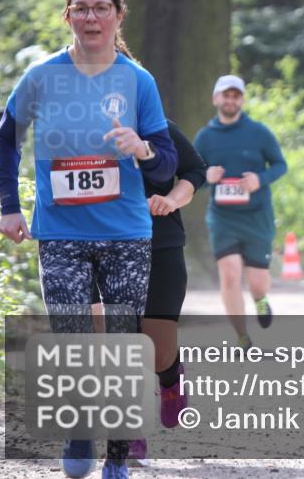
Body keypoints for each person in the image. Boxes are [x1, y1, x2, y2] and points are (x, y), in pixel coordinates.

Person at [0, 0, 177, 479]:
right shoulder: (42, 77)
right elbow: (7, 139)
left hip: (126, 235)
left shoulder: (138, 82)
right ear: (68, 15)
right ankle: (79, 433)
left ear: (118, 16)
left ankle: (117, 456)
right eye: (81, 8)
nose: (91, 17)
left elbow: (164, 162)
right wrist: (10, 205)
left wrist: (141, 149)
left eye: (101, 8)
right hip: (61, 234)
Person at [91, 118, 206, 465]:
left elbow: (194, 169)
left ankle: (170, 378)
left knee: (157, 351)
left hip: (160, 245)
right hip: (104, 247)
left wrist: (172, 199)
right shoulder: (78, 131)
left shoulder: (158, 128)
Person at [193, 75, 287, 349]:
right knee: (230, 274)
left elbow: (280, 165)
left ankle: (260, 299)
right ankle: (242, 336)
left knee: (257, 283)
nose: (230, 100)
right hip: (223, 218)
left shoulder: (258, 132)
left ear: (242, 100)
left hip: (257, 215)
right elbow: (191, 176)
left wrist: (260, 179)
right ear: (216, 99)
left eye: (236, 96)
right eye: (226, 95)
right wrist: (205, 176)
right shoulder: (205, 137)